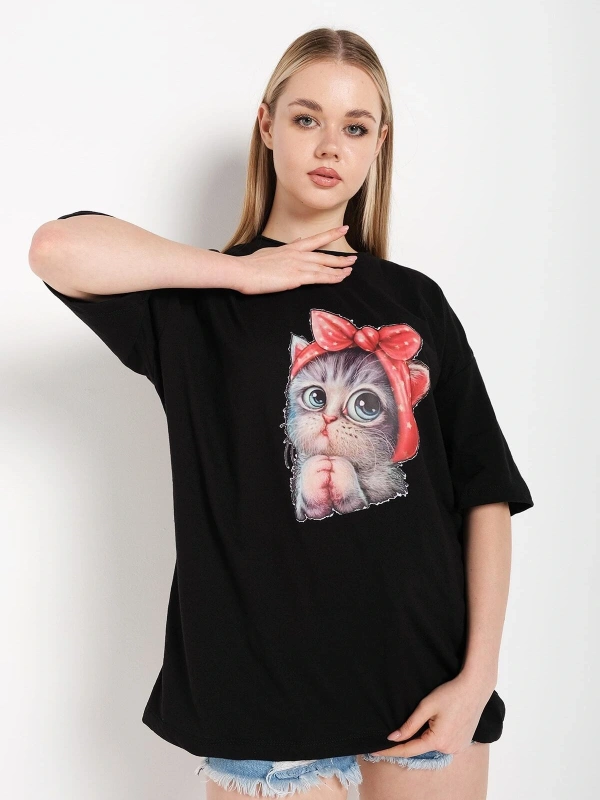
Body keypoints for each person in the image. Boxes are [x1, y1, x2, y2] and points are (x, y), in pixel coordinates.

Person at [30, 27, 533, 800]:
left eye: (355, 127)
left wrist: (478, 678)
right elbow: (56, 249)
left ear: (378, 145)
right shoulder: (196, 303)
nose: (329, 145)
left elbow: (485, 493)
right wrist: (237, 273)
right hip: (263, 704)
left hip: (430, 688)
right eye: (306, 118)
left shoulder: (417, 301)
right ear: (266, 126)